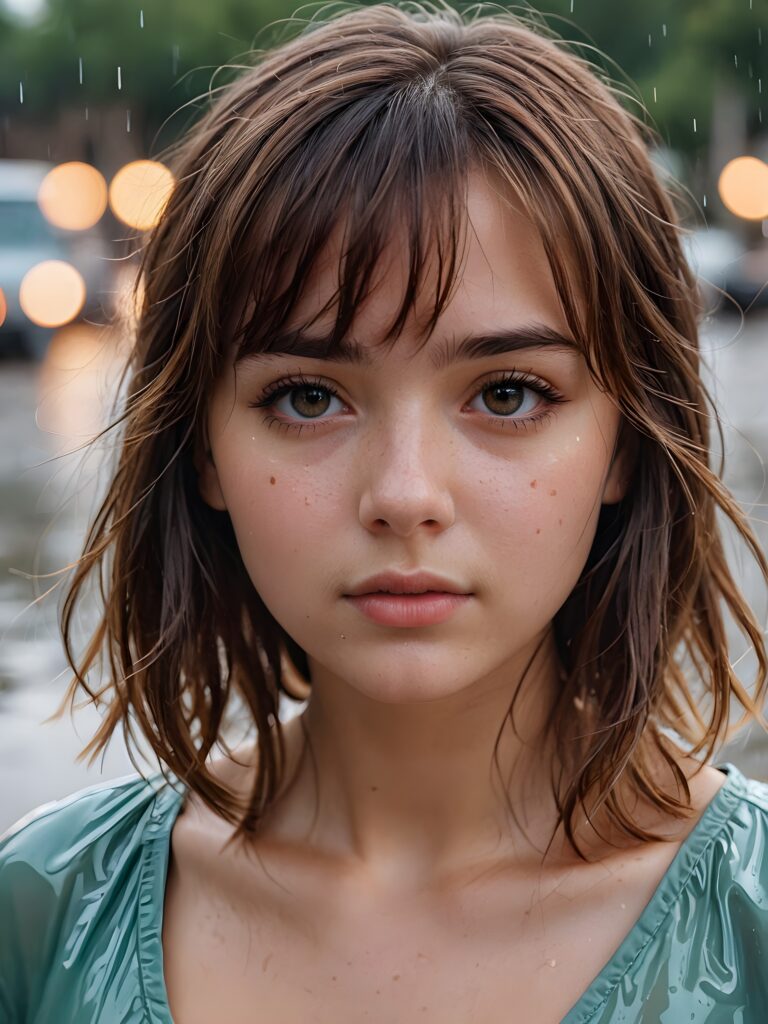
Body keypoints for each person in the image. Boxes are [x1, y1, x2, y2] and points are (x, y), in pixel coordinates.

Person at [2, 2, 768, 1021]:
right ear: (204, 452)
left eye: (507, 394)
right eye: (308, 397)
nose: (405, 494)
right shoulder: (43, 916)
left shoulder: (750, 926)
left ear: (627, 437)